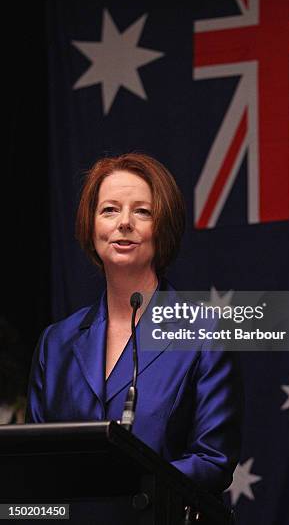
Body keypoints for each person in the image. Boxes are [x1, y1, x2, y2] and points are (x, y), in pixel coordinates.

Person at [26, 152, 242, 493]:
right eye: (109, 209)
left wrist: (126, 487)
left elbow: (212, 460)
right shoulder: (56, 343)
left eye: (142, 211)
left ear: (164, 227)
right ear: (91, 225)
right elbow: (34, 459)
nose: (123, 222)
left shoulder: (205, 333)